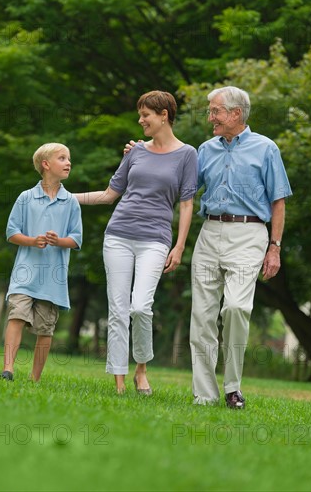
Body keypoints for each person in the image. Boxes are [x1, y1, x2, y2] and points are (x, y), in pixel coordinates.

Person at [74, 91, 198, 395]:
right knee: (117, 309)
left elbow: (186, 204)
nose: (141, 120)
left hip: (155, 239)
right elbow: (108, 194)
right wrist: (63, 197)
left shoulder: (187, 154)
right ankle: (118, 381)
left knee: (141, 307)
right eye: (140, 115)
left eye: (146, 115)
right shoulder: (136, 152)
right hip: (118, 234)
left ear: (164, 115)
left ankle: (141, 369)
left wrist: (180, 246)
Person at [190, 86, 292, 408]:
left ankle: (232, 386)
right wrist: (143, 153)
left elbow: (278, 201)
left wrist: (274, 247)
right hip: (210, 231)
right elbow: (181, 189)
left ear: (236, 113)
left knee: (236, 307)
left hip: (249, 235)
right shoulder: (205, 149)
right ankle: (205, 395)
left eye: (215, 111)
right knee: (202, 316)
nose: (210, 118)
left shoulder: (266, 149)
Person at [0, 143, 82, 382]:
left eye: (69, 158)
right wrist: (32, 240)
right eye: (62, 158)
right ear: (46, 165)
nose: (68, 162)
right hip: (24, 274)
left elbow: (76, 239)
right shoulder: (26, 197)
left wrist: (60, 240)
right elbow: (11, 232)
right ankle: (8, 370)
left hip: (53, 279)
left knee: (45, 329)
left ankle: (35, 379)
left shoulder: (71, 202)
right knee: (17, 315)